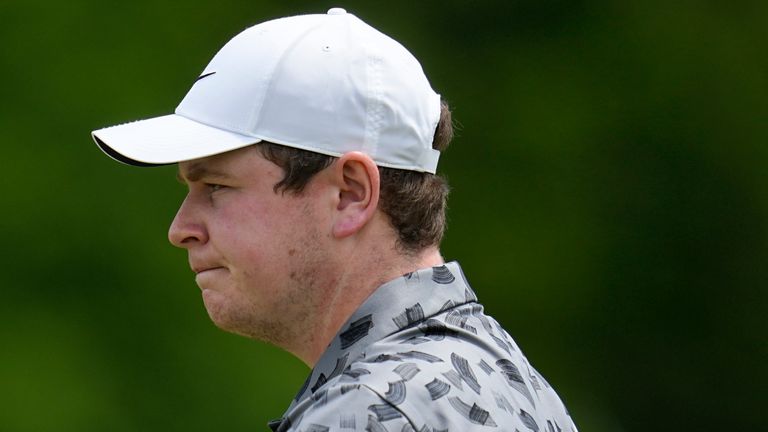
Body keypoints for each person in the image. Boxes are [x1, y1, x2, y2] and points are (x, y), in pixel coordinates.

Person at [92, 8, 578, 432]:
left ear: (351, 194)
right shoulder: (501, 371)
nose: (181, 229)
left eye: (217, 186)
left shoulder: (367, 412)